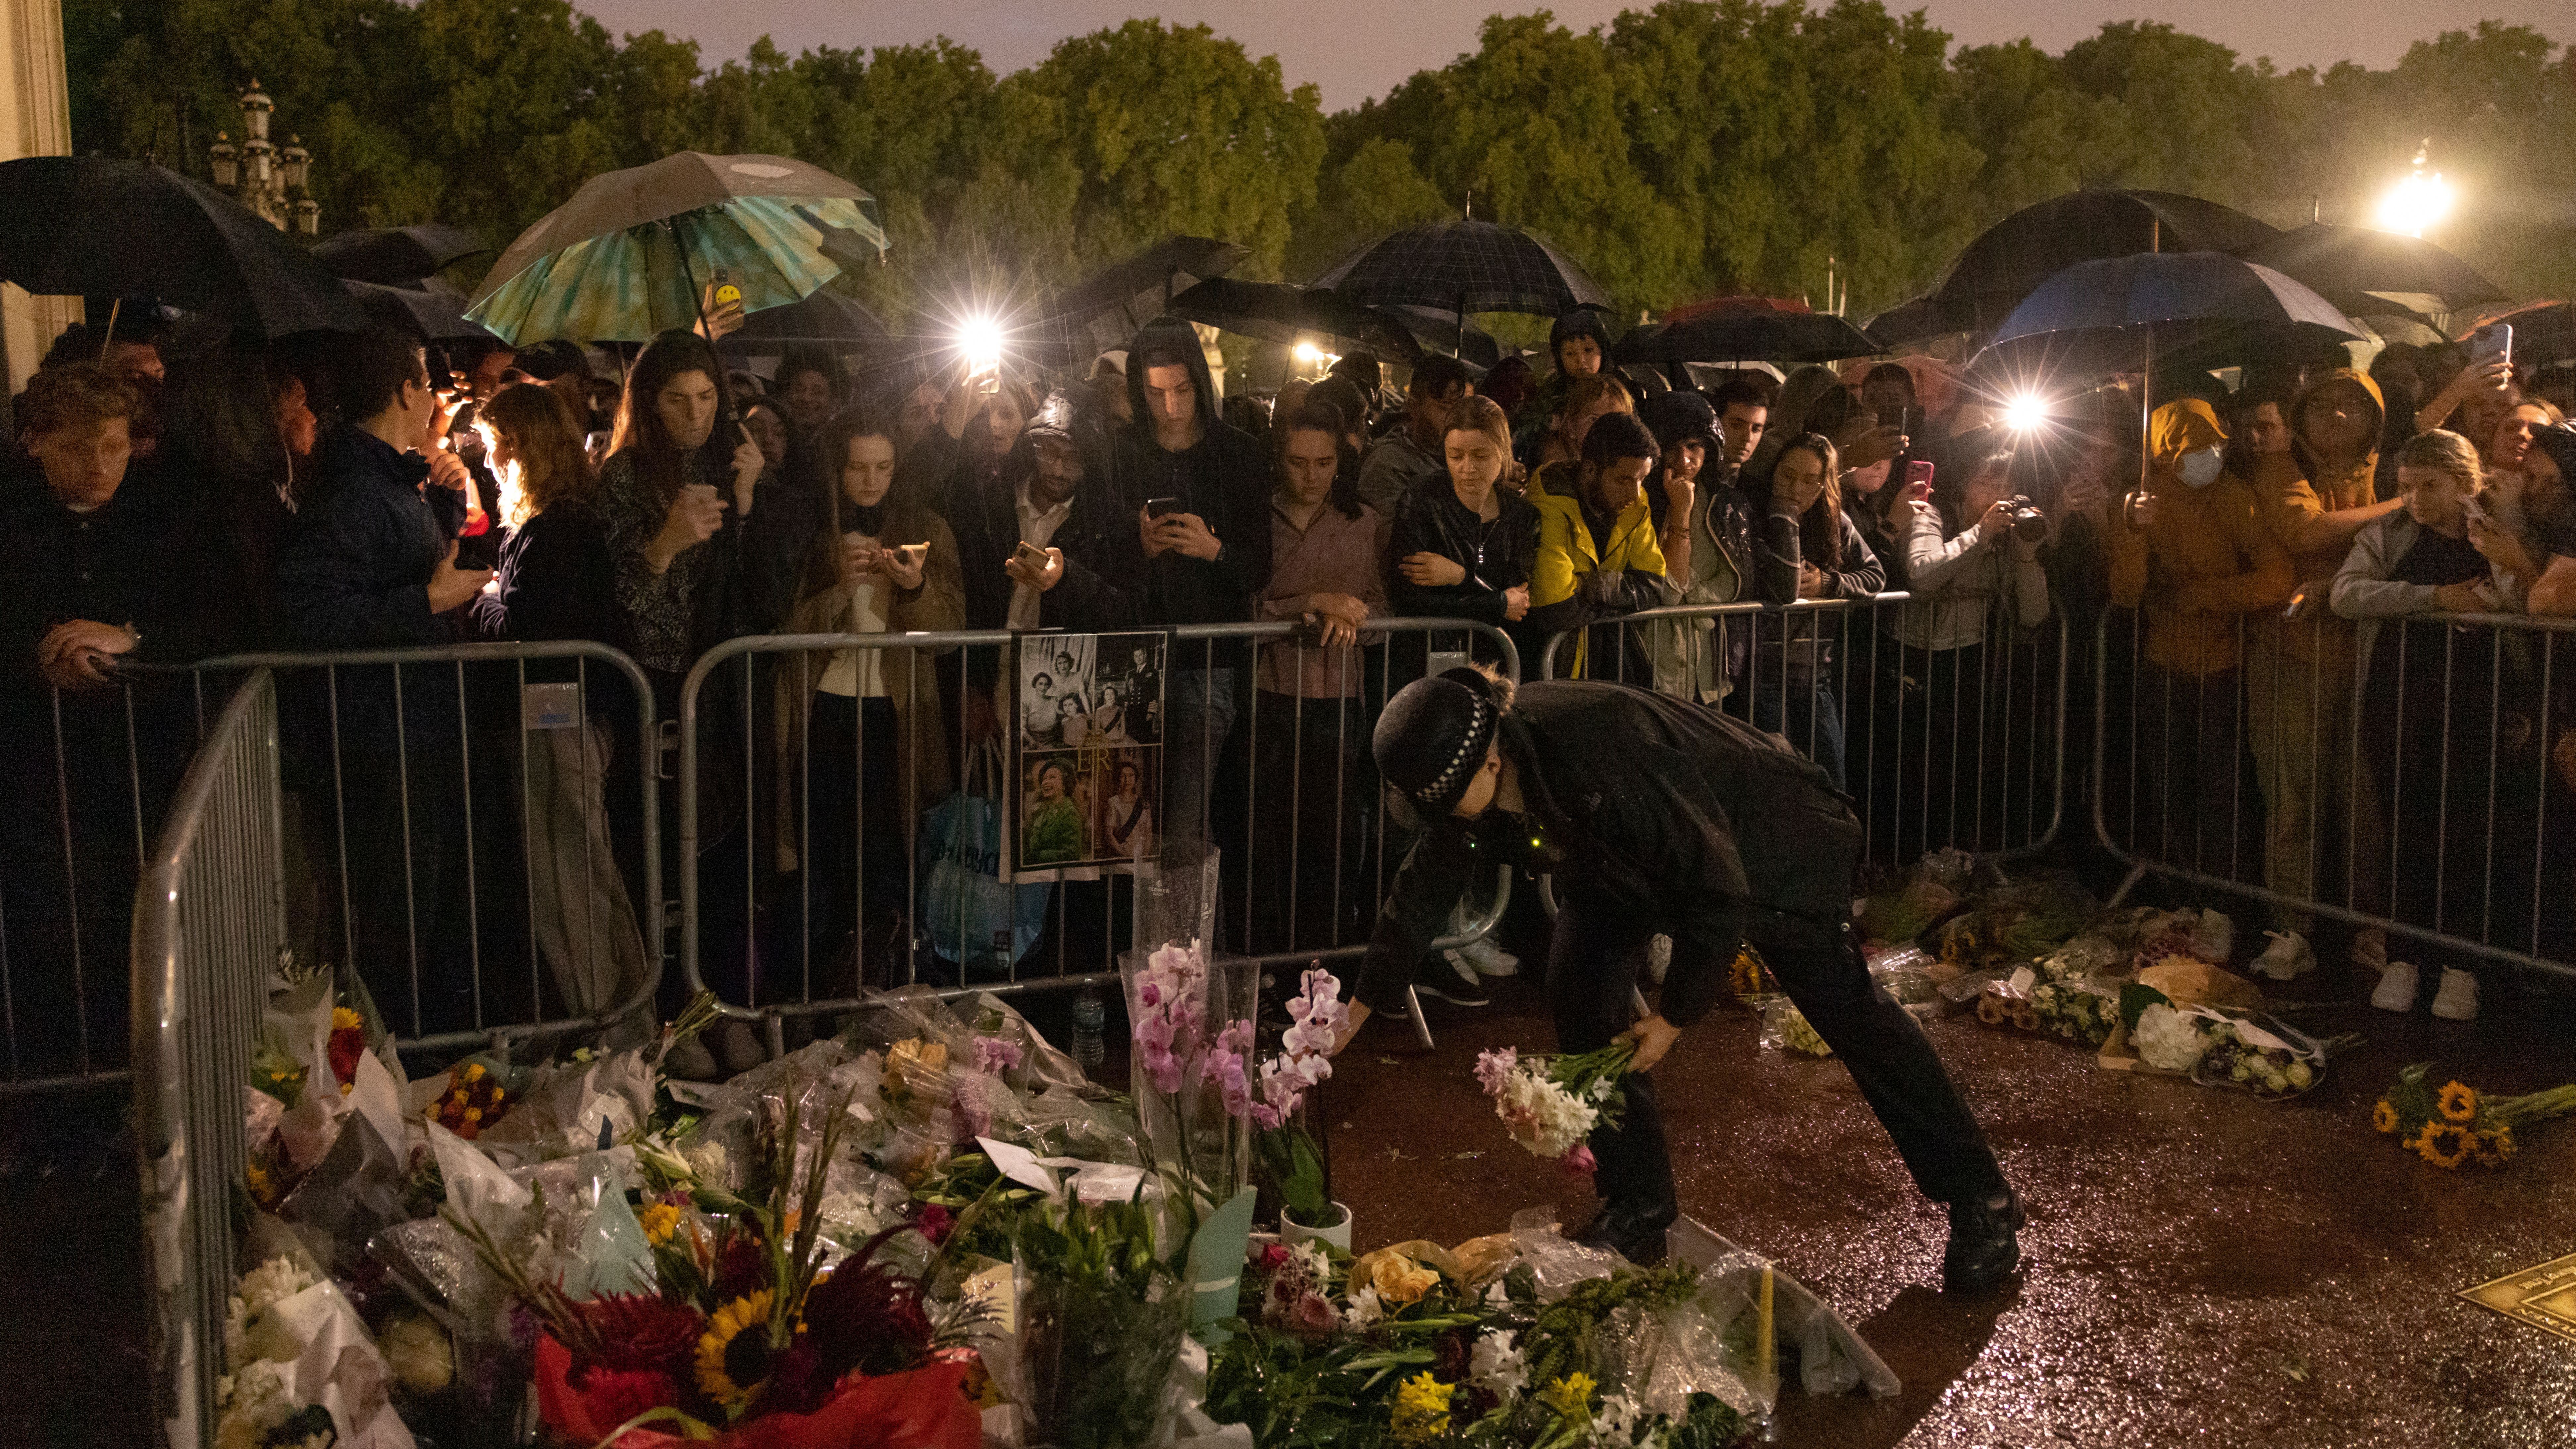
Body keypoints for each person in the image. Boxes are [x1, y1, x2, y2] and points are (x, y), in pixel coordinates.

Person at [1336, 666, 2021, 1284]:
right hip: (1627, 866)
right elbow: (1423, 887)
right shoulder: (1483, 777)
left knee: (1851, 1015)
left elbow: (1717, 887)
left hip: (1770, 846)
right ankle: (1638, 1207)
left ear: (1488, 762)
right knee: (1579, 990)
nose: (1438, 822)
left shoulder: (1597, 747)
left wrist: (1674, 1018)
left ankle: (1981, 1197)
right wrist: (1353, 1014)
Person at [275, 327, 496, 1033]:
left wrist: (442, 508)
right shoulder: (352, 487)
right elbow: (310, 612)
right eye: (428, 384)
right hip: (379, 735)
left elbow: (393, 562)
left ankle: (401, 1050)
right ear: (407, 390)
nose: (434, 397)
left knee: (415, 903)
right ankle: (384, 1057)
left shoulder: (382, 477)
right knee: (393, 911)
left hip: (407, 724)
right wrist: (427, 602)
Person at [0, 363, 196, 1079]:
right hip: (34, 762)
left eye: (113, 446)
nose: (98, 465)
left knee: (137, 924)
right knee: (48, 929)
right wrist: (38, 654)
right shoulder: (15, 517)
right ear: (37, 443)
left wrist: (132, 637)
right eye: (79, 446)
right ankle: (58, 1091)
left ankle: (133, 1083)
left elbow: (210, 616)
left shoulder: (160, 514)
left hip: (137, 758)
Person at [463, 381, 651, 1037]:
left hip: (557, 719)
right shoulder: (559, 522)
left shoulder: (559, 529)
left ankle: (609, 1028)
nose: (487, 463)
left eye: (492, 448)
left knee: (570, 881)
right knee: (578, 874)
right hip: (563, 716)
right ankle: (620, 1019)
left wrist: (477, 598)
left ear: (518, 448)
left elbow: (528, 630)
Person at [2333, 430, 2537, 1022]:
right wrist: (2431, 597)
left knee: (2470, 829)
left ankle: (2460, 965)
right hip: (2399, 699)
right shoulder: (2389, 535)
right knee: (2405, 823)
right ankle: (2404, 954)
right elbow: (2347, 594)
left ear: (2465, 483)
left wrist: (2493, 576)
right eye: (2405, 487)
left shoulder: (2497, 532)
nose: (2416, 499)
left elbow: (2522, 598)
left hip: (2476, 701)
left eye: (2430, 486)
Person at [770, 405, 964, 992]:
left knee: (889, 856)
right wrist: (837, 590)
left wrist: (916, 587)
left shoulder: (926, 526)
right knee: (824, 857)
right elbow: (781, 630)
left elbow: (952, 629)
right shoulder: (813, 532)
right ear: (837, 469)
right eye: (857, 467)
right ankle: (821, 992)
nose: (871, 480)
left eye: (883, 466)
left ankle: (884, 984)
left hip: (894, 713)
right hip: (823, 712)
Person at [2107, 399, 2292, 885]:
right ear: (2165, 454)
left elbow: (2276, 576)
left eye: (2213, 444)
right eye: (2192, 447)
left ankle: (2222, 892)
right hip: (2164, 664)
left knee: (2222, 789)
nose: (2207, 455)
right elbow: (2126, 592)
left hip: (2224, 663)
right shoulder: (2141, 502)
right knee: (2169, 785)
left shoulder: (2234, 495)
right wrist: (2132, 533)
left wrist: (2204, 595)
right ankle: (2178, 889)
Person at [2250, 369, 2398, 965]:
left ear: (2375, 415)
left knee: (2364, 800)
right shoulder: (2283, 468)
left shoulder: (2389, 469)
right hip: (2293, 656)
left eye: (2352, 406)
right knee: (2293, 794)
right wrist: (2401, 506)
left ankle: (2369, 926)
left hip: (2370, 660)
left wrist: (2336, 584)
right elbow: (2303, 529)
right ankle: (2292, 928)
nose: (2337, 417)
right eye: (2323, 406)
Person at [1115, 317, 1274, 848]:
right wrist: (1138, 547)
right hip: (1132, 657)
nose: (1171, 406)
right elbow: (1099, 559)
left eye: (1182, 389)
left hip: (1209, 661)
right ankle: (1166, 933)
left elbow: (1259, 567)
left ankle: (1186, 935)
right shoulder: (1121, 451)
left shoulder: (1241, 453)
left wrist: (1214, 550)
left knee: (1185, 829)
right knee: (1127, 828)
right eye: (1156, 392)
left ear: (1200, 383)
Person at [1868, 447, 2052, 858]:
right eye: (1985, 481)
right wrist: (1979, 535)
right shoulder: (1933, 515)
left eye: (2005, 484)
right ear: (1965, 484)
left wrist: (2025, 555)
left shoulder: (2007, 534)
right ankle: (1898, 861)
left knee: (1961, 771)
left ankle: (1952, 863)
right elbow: (1922, 571)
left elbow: (2034, 613)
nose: (1995, 493)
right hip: (1916, 657)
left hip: (1969, 660)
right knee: (1911, 771)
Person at [1252, 403, 1389, 951]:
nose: (1311, 476)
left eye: (1324, 463)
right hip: (1270, 695)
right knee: (1268, 839)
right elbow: (1244, 611)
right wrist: (1311, 603)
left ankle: (1324, 964)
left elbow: (1383, 610)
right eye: (1298, 462)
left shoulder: (1363, 522)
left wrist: (1353, 615)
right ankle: (1267, 958)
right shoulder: (1259, 517)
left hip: (1339, 698)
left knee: (1332, 840)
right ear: (1278, 459)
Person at [1748, 433, 1883, 787]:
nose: (1795, 488)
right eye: (1788, 475)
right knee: (1775, 785)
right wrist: (1783, 516)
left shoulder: (1835, 524)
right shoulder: (1754, 514)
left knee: (1831, 783)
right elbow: (1783, 587)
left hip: (1813, 676)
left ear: (1824, 486)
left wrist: (1829, 583)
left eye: (1810, 481)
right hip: (1760, 674)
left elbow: (1875, 575)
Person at [1640, 390, 1784, 707]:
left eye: (1693, 447)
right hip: (1649, 659)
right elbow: (1667, 587)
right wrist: (1680, 510)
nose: (1684, 460)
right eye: (1672, 449)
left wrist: (1692, 600)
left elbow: (1736, 577)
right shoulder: (1637, 503)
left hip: (1708, 664)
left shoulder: (1727, 504)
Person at [1526, 412, 1669, 681]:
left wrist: (1591, 587)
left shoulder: (1635, 504)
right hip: (1552, 670)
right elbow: (1555, 607)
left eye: (1642, 480)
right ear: (1590, 470)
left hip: (1608, 665)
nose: (1635, 494)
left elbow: (1654, 585)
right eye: (1624, 480)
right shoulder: (1548, 504)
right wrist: (1618, 594)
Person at [1356, 354, 1471, 517]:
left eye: (1459, 408)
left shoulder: (1460, 460)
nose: (1454, 418)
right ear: (1414, 406)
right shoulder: (1388, 463)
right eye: (1445, 406)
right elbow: (1389, 532)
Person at [1024, 759, 1084, 865]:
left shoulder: (1069, 813)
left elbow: (1072, 854)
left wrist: (1038, 857)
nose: (1046, 782)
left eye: (1052, 778)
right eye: (1044, 779)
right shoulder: (1042, 812)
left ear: (1064, 785)